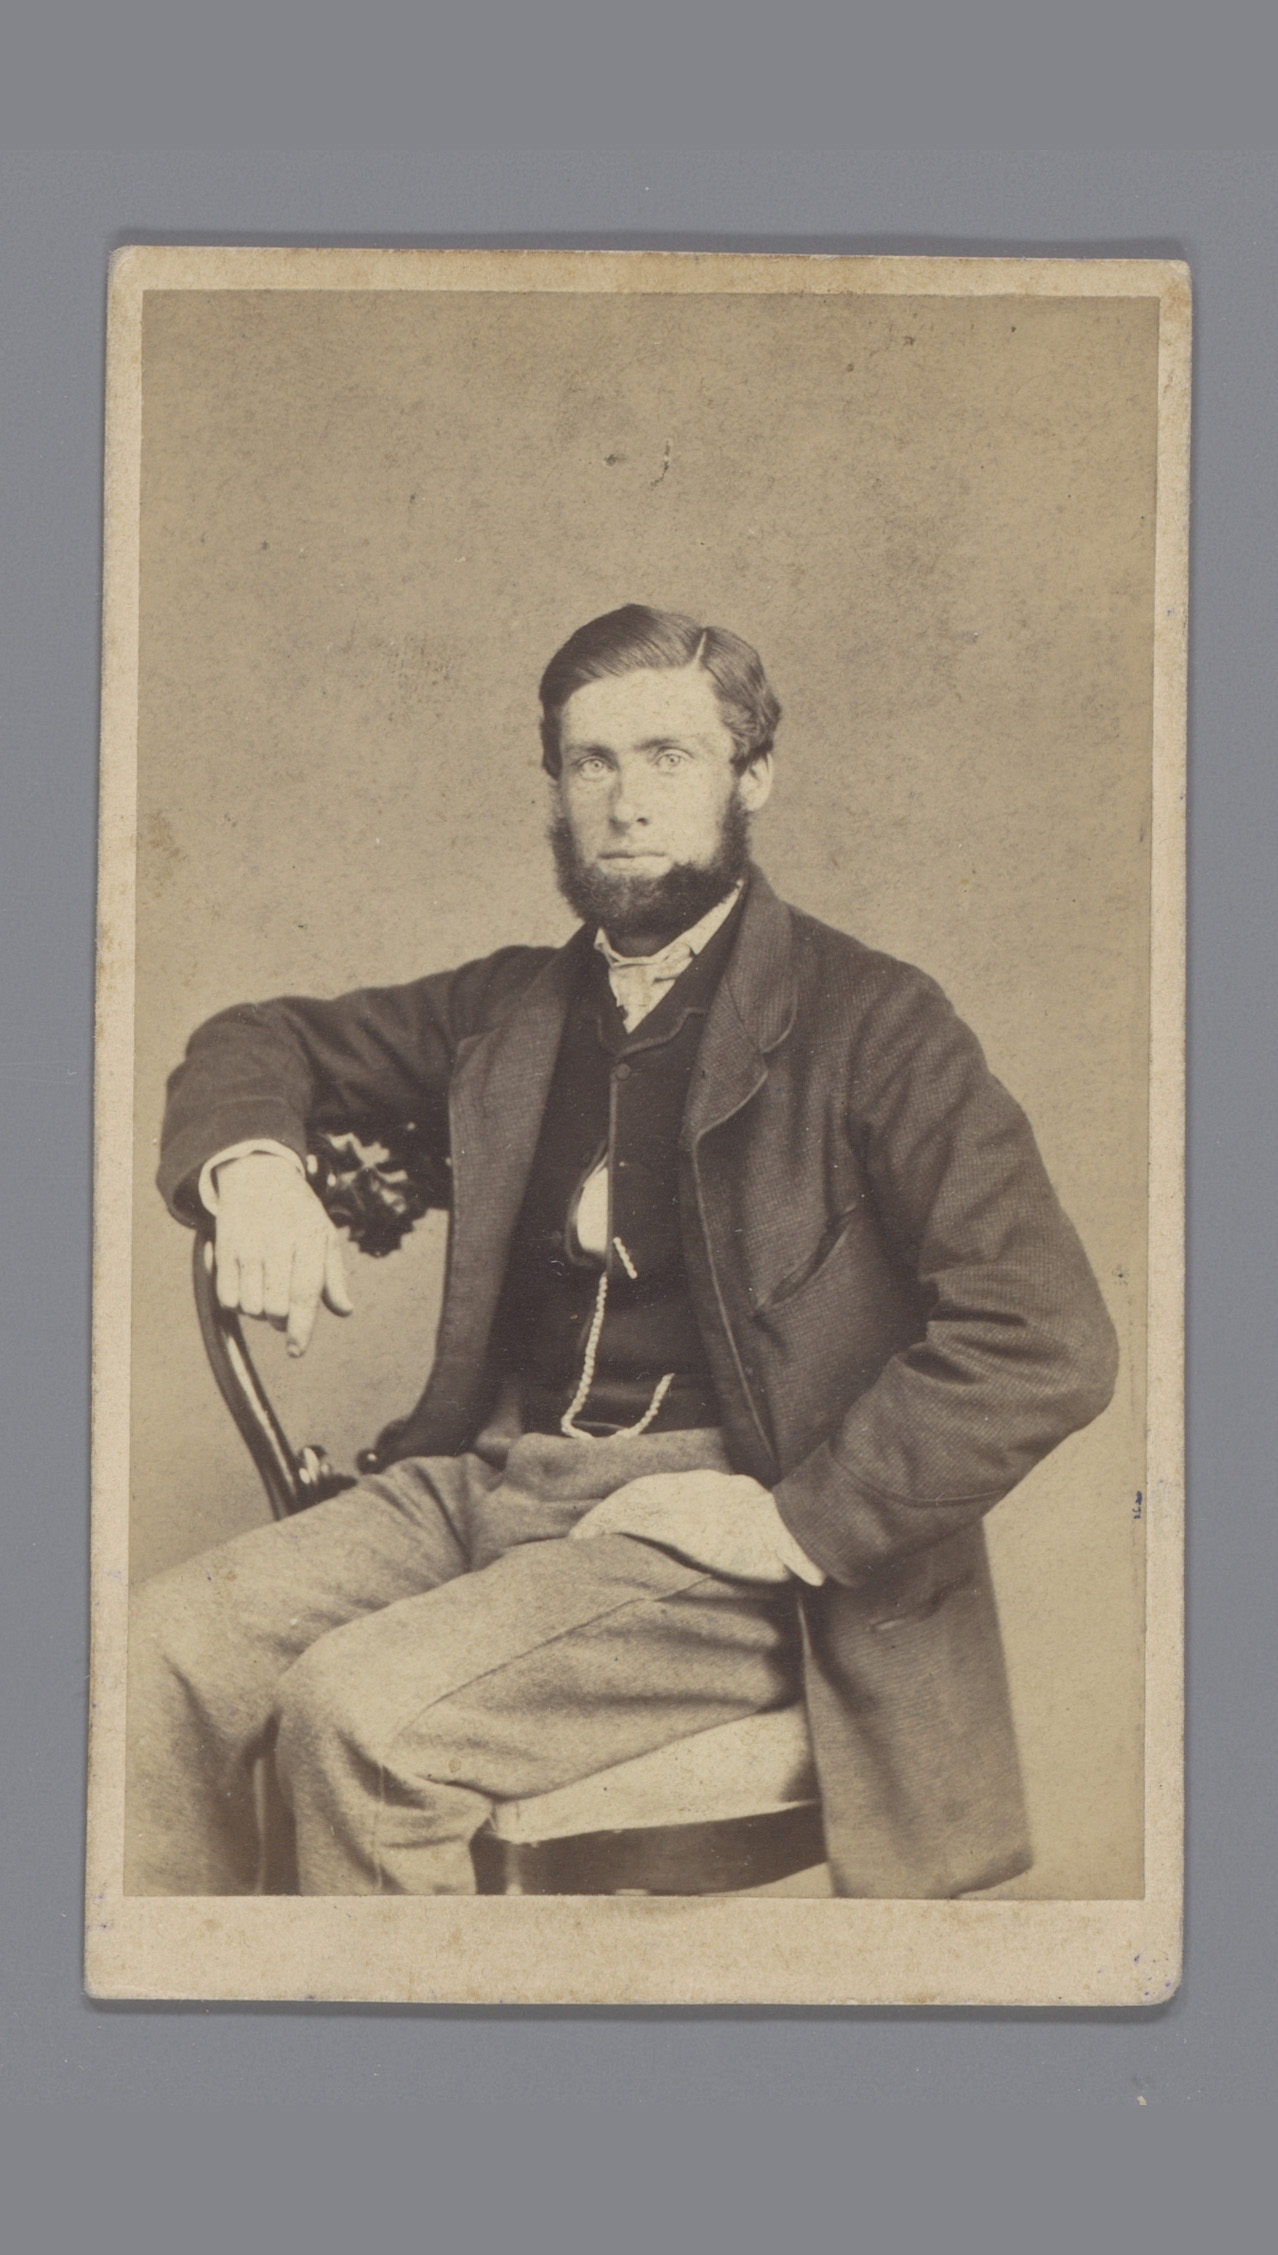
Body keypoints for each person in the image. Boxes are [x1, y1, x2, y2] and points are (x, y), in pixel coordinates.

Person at [127, 604, 1118, 1899]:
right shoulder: (512, 1005)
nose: (626, 800)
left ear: (751, 776)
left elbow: (1045, 1335)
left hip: (723, 1539)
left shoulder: (875, 1022)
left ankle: (382, 2038)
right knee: (162, 1652)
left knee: (359, 1717)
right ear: (553, 786)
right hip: (496, 1477)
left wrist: (795, 1520)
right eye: (590, 762)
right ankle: (202, 2012)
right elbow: (257, 1039)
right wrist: (253, 1166)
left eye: (667, 756)